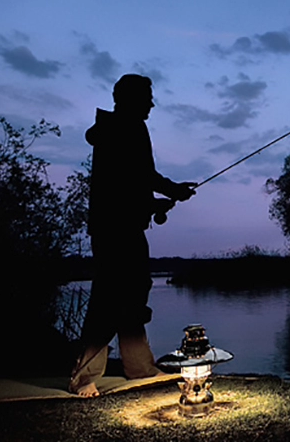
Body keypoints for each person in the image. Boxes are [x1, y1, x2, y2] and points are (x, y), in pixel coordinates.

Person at [70, 74, 196, 397]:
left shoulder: (124, 128)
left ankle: (139, 367)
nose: (152, 103)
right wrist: (170, 192)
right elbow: (133, 180)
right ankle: (84, 377)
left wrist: (163, 196)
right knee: (109, 297)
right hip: (115, 230)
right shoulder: (125, 128)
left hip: (123, 227)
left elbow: (134, 180)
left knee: (133, 293)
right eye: (147, 97)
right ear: (130, 98)